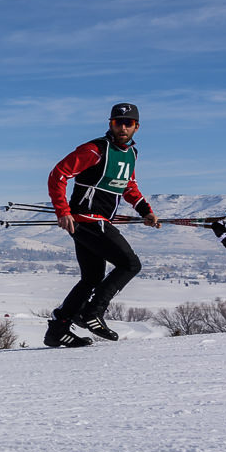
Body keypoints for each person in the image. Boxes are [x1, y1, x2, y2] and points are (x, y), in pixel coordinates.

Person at [43, 102, 159, 348]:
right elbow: (58, 174)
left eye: (128, 124)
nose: (122, 128)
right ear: (110, 124)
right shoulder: (95, 150)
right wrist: (62, 211)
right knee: (130, 264)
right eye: (118, 123)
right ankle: (92, 312)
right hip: (87, 220)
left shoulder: (131, 154)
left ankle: (58, 329)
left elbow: (128, 186)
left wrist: (145, 211)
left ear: (137, 127)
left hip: (96, 221)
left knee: (92, 277)